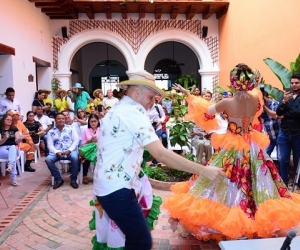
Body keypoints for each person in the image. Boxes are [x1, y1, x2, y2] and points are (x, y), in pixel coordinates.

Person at [164, 63, 300, 241]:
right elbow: (258, 109)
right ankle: (254, 218)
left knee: (222, 180)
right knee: (257, 181)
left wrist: (189, 95)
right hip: (252, 144)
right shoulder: (255, 100)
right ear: (250, 82)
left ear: (233, 81)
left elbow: (206, 113)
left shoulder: (227, 102)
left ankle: (228, 220)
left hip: (232, 146)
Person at [93, 71, 225, 249]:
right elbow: (160, 154)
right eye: (151, 97)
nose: (152, 103)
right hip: (117, 189)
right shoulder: (132, 112)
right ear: (137, 92)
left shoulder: (119, 108)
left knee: (135, 240)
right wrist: (204, 170)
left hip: (111, 186)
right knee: (141, 241)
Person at [276, 73, 300, 187]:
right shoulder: (285, 96)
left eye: (297, 83)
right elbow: (278, 112)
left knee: (297, 161)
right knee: (283, 160)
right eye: (292, 83)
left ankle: (297, 184)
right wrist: (284, 102)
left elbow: (298, 113)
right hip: (284, 133)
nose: (294, 85)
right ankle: (283, 184)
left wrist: (287, 113)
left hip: (298, 133)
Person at [45, 113, 79, 189]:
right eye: (59, 119)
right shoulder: (51, 132)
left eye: (62, 118)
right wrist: (56, 151)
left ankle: (73, 179)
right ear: (55, 120)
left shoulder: (71, 128)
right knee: (48, 159)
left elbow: (76, 140)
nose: (61, 120)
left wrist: (69, 150)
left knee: (75, 157)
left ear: (65, 119)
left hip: (69, 151)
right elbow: (50, 145)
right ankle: (59, 179)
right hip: (57, 152)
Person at [0, 114, 21, 186]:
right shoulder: (0, 129)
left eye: (11, 120)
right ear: (3, 120)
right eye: (8, 120)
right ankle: (13, 177)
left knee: (12, 147)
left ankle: (10, 166)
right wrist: (5, 138)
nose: (9, 121)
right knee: (12, 156)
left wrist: (20, 138)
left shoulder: (14, 129)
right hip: (2, 149)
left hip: (13, 148)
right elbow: (0, 142)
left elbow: (16, 142)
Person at [79, 114, 100, 184]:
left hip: (98, 149)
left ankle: (97, 175)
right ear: (89, 122)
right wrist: (89, 140)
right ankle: (85, 175)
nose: (93, 123)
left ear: (98, 122)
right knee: (86, 156)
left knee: (99, 155)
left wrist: (98, 140)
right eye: (91, 122)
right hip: (88, 149)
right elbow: (82, 144)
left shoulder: (101, 130)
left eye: (95, 121)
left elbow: (105, 142)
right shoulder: (86, 131)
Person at [261, 91, 281, 157]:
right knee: (264, 156)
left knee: (280, 157)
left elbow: (276, 115)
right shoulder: (259, 107)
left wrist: (264, 107)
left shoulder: (275, 103)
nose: (262, 101)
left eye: (263, 99)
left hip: (279, 134)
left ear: (268, 97)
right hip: (269, 136)